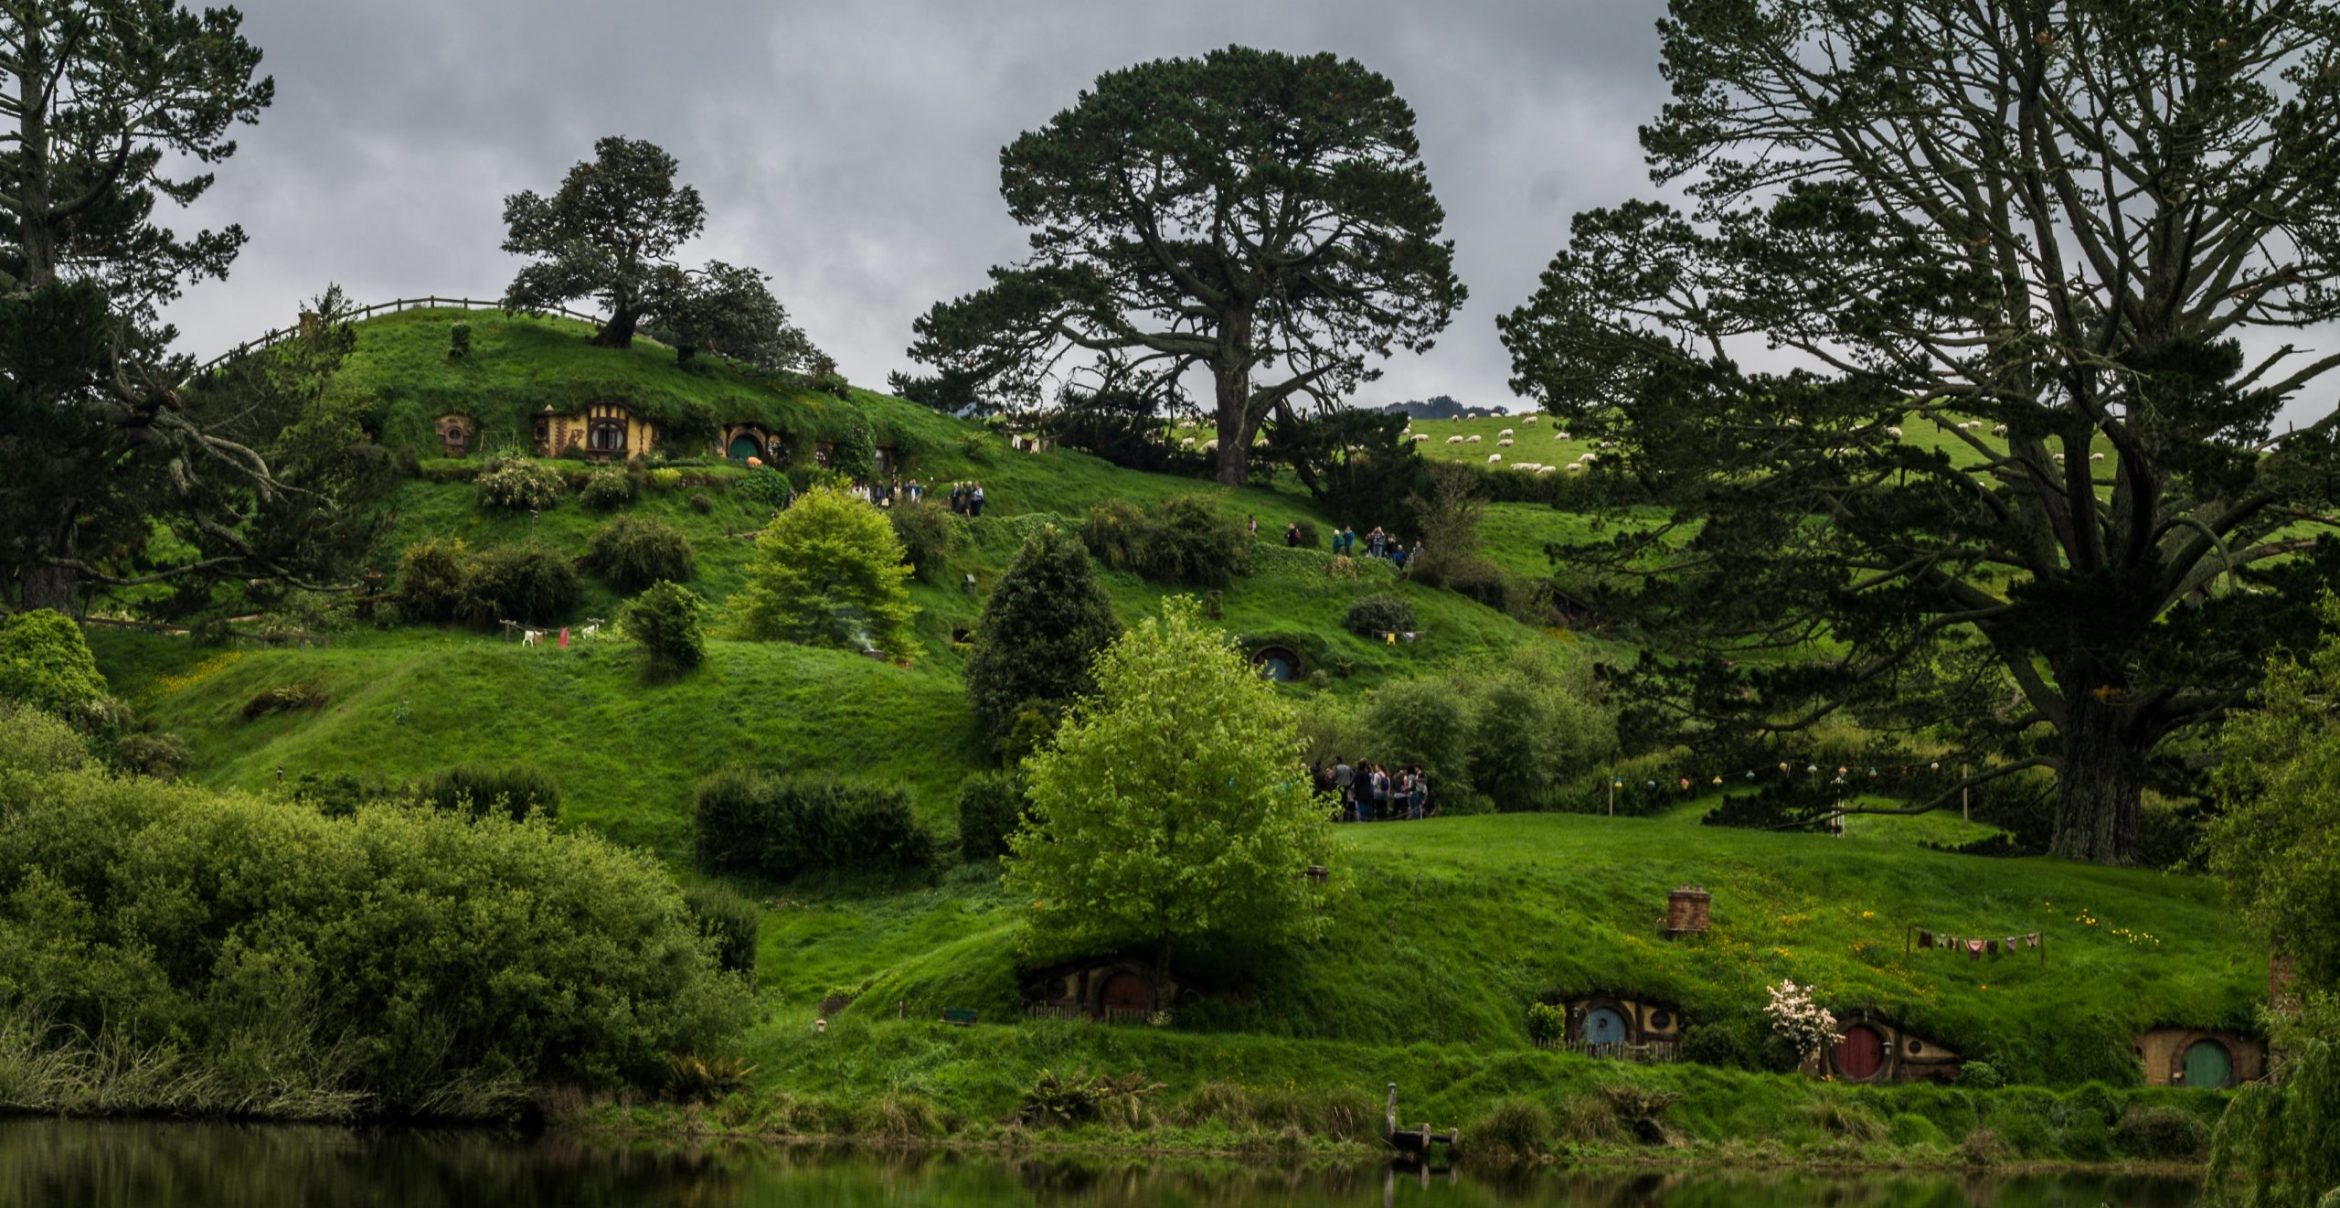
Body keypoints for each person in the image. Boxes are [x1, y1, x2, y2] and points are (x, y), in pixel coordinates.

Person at [1332, 756, 1355, 821]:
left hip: (1338, 786)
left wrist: (1333, 783)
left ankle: (1336, 818)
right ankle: (1345, 818)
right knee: (1344, 802)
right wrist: (1350, 783)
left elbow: (1333, 776)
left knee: (1337, 802)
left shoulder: (1336, 767)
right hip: (1346, 786)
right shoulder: (1348, 767)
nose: (1335, 762)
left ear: (1338, 760)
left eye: (1335, 760)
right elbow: (1353, 775)